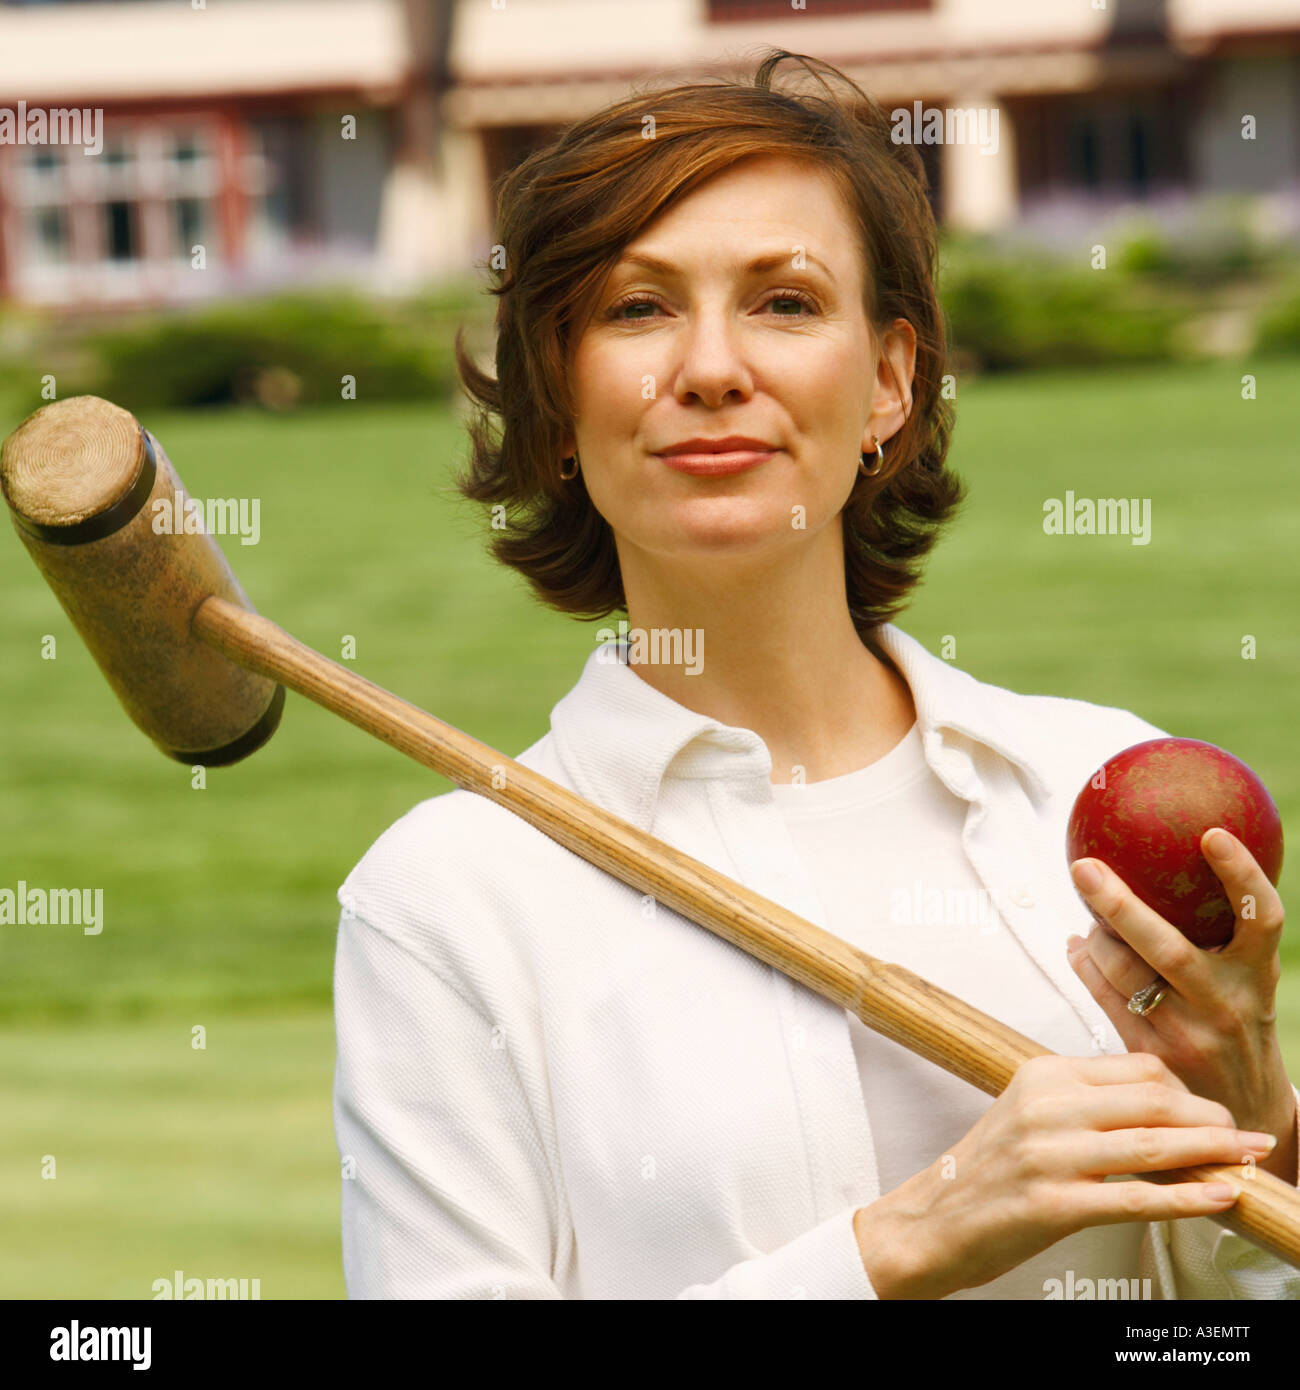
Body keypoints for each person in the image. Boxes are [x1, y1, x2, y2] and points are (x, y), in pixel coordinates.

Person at [332, 49, 1299, 1299]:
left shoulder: (1084, 788)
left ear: (890, 381)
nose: (714, 367)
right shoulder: (451, 903)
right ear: (559, 407)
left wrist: (1262, 1126)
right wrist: (893, 1249)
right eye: (638, 308)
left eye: (784, 303)